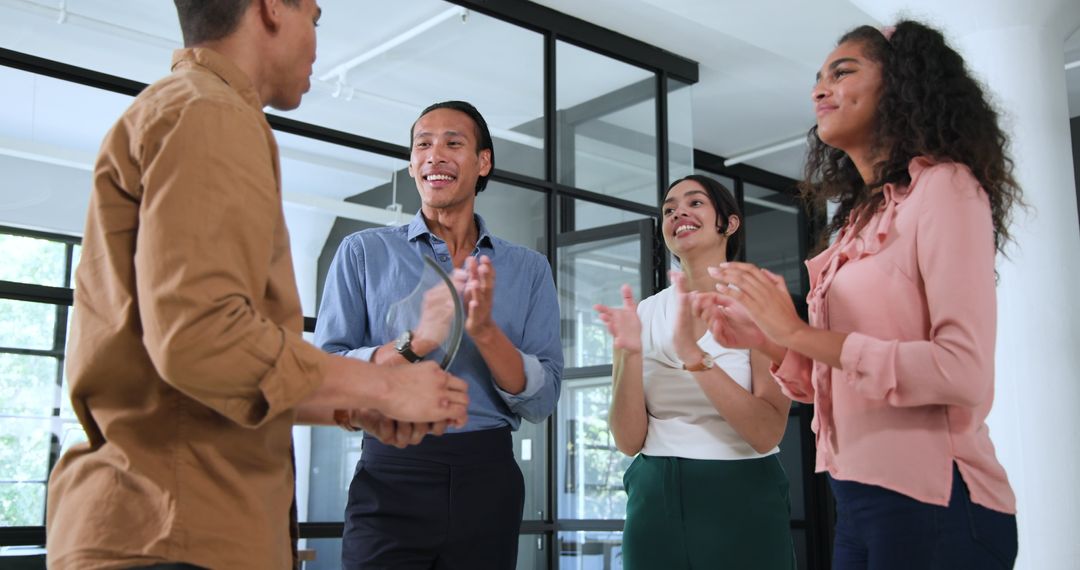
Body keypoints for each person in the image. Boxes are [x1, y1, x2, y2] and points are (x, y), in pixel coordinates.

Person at [45, 2, 470, 569]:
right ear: (271, 7)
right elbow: (202, 336)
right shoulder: (208, 112)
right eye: (315, 19)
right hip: (177, 533)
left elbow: (199, 366)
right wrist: (382, 390)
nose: (317, 43)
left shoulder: (187, 108)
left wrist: (352, 403)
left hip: (172, 527)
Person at [703, 20, 1022, 569]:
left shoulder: (946, 187)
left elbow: (962, 371)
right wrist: (773, 344)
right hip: (855, 503)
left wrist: (797, 332)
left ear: (899, 84)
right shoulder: (855, 223)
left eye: (841, 72)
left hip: (939, 505)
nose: (818, 90)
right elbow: (833, 380)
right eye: (817, 79)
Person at [315, 100, 563, 569]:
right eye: (423, 144)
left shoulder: (529, 270)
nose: (435, 154)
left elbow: (541, 400)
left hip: (487, 475)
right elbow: (328, 378)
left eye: (453, 143)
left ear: (482, 162)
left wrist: (486, 333)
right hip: (391, 470)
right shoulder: (362, 253)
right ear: (412, 164)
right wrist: (418, 341)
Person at [594, 174, 795, 569]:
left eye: (695, 203)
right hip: (654, 493)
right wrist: (630, 355)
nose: (678, 212)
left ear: (729, 223)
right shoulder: (644, 313)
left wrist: (695, 359)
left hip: (743, 490)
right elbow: (628, 440)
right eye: (669, 209)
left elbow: (766, 432)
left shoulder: (760, 304)